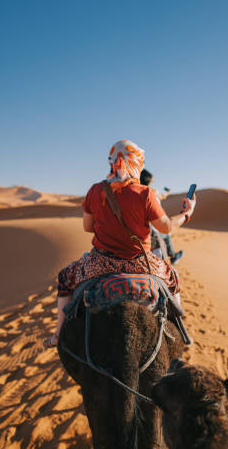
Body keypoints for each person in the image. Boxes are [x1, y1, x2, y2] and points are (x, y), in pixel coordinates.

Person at [43, 140, 196, 347]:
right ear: (136, 163)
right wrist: (186, 213)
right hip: (141, 264)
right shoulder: (145, 193)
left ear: (112, 161)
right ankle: (179, 334)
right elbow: (166, 227)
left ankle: (59, 335)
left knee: (65, 278)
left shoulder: (95, 190)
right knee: (172, 277)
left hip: (100, 263)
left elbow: (88, 227)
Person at [140, 169, 183, 265]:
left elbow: (161, 196)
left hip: (145, 231)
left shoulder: (138, 193)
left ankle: (171, 255)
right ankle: (172, 256)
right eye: (152, 182)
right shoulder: (149, 195)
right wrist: (187, 213)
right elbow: (166, 226)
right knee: (166, 234)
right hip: (150, 231)